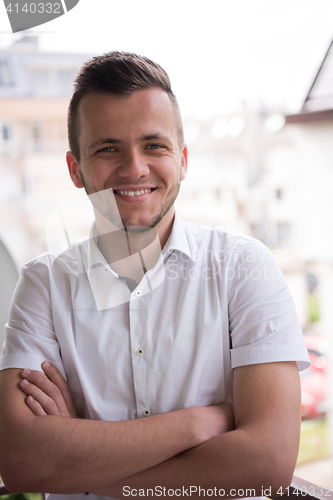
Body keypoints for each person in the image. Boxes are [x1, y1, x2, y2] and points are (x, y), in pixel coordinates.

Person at [0, 51, 310, 500]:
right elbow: (23, 461)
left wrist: (80, 466)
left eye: (154, 145)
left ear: (182, 159)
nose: (134, 168)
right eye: (108, 148)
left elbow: (267, 463)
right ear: (75, 169)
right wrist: (202, 421)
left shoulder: (244, 267)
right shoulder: (44, 285)